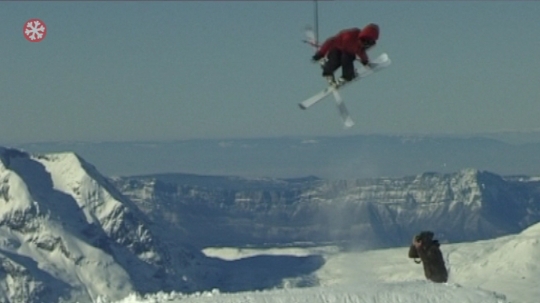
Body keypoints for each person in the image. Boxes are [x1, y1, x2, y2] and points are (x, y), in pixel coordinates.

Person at [311, 23, 380, 85]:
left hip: (347, 54)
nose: (363, 45)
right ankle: (328, 71)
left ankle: (347, 75)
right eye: (364, 43)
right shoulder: (349, 36)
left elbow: (361, 52)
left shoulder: (360, 45)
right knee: (337, 59)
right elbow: (330, 41)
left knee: (347, 58)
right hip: (336, 49)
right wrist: (320, 53)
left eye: (367, 44)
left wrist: (365, 61)